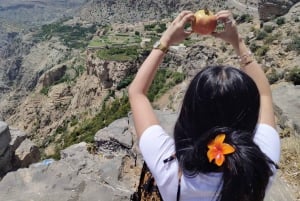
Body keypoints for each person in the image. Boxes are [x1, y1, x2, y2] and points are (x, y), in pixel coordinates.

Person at [128, 10, 280, 201]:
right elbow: (265, 94)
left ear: (188, 114)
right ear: (250, 114)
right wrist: (238, 42)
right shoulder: (262, 167)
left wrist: (165, 41)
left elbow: (136, 92)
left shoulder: (169, 169)